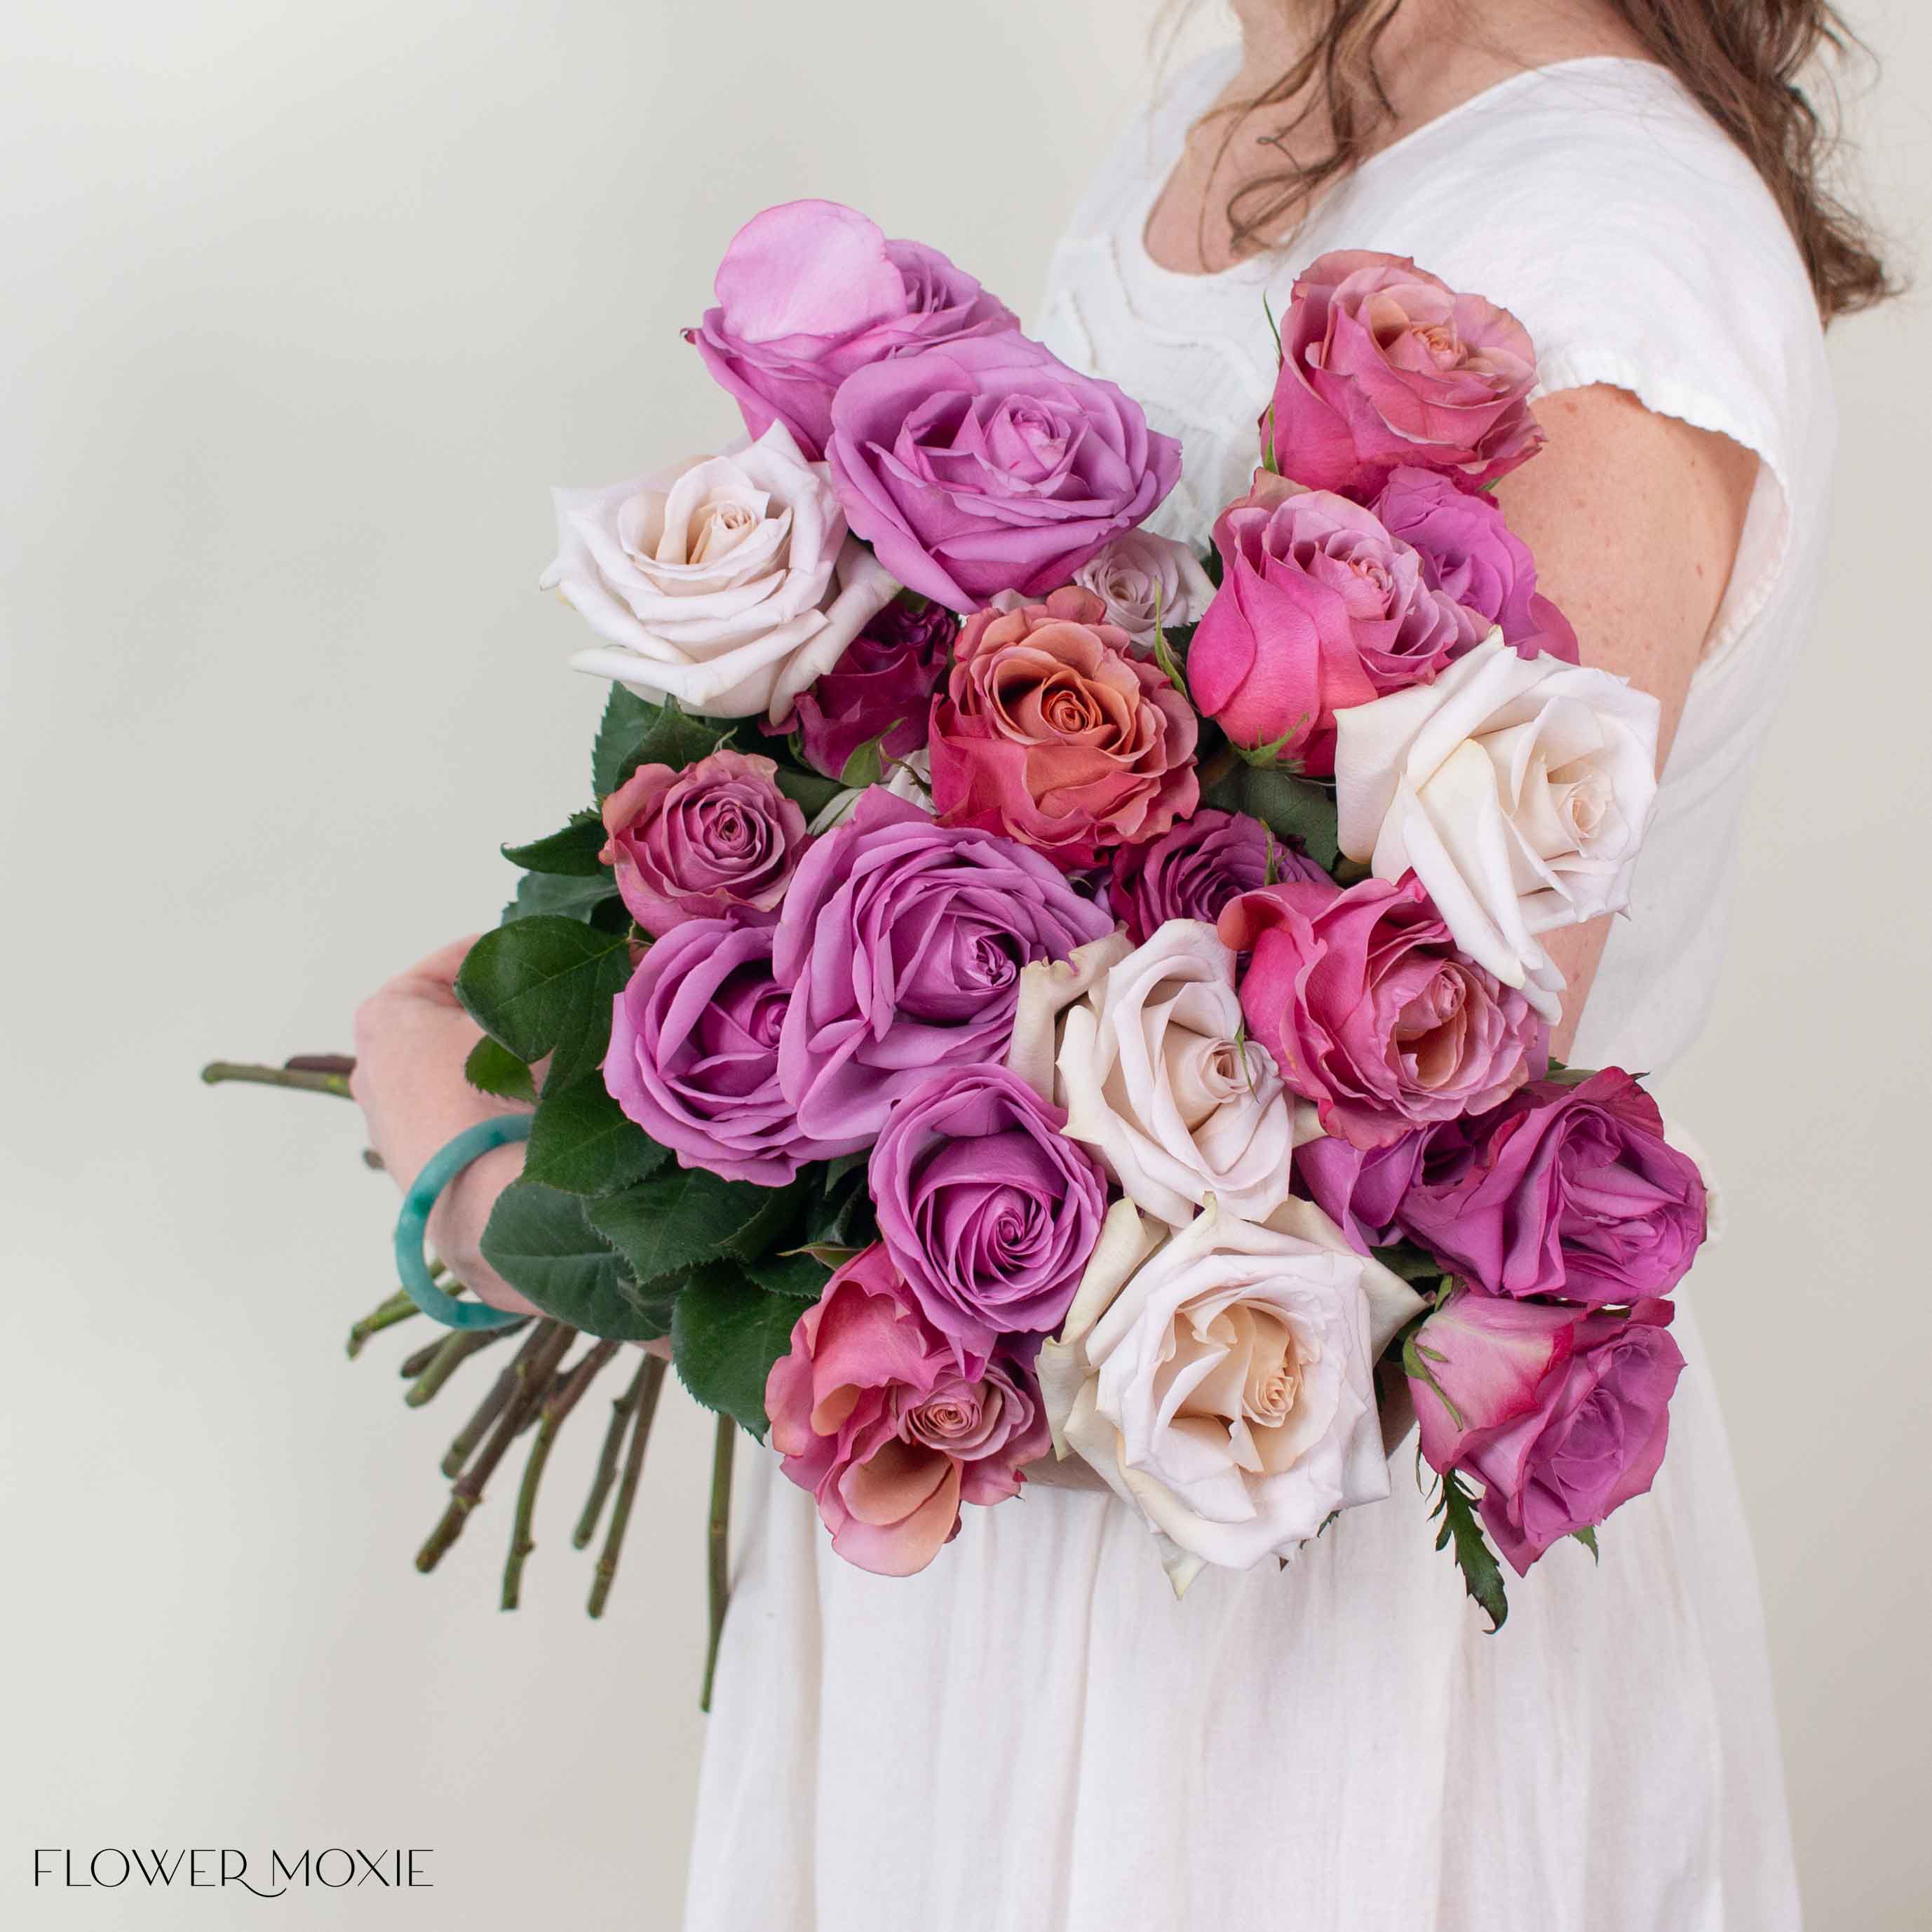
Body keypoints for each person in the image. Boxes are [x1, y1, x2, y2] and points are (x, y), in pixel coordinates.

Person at [351, 1, 1891, 1923]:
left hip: (1279, 1683)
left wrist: (507, 1200)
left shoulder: (1592, 273)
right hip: (988, 1607)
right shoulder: (1250, 92)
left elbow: (1332, 1291)